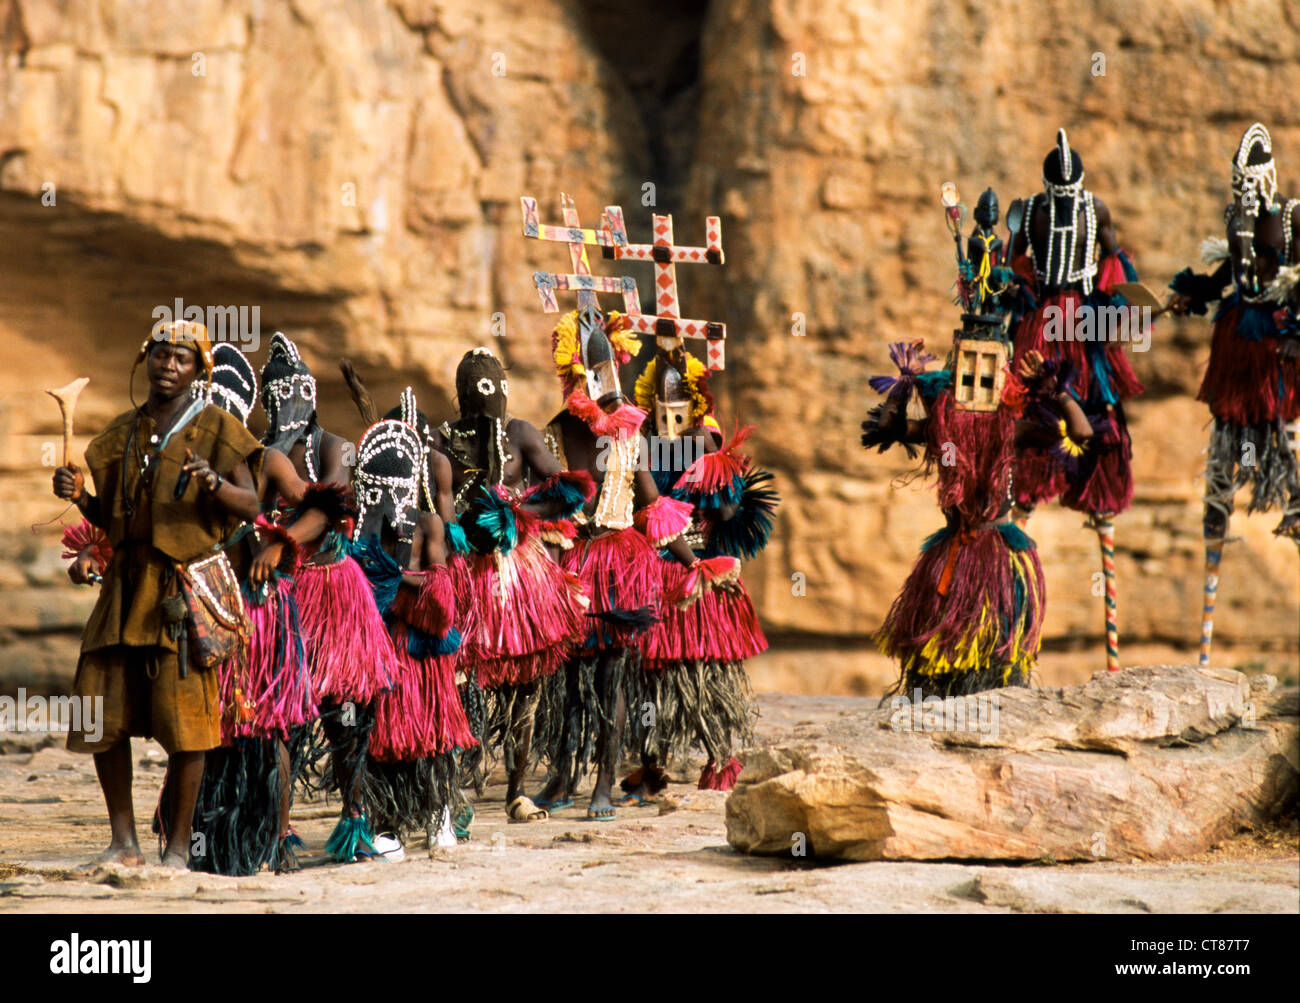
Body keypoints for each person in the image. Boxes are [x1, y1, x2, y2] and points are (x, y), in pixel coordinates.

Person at [864, 186, 1096, 697]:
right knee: (937, 662)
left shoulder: (1011, 428)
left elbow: (1081, 434)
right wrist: (903, 387)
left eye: (987, 370)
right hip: (951, 550)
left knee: (990, 663)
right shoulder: (943, 427)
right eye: (968, 366)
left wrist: (1056, 393)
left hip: (994, 554)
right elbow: (887, 430)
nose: (975, 380)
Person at [52, 320, 262, 868]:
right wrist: (80, 499)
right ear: (145, 361)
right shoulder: (121, 432)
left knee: (187, 718)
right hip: (124, 588)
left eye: (182, 359)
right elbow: (113, 517)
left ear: (198, 370)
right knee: (100, 706)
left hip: (179, 591)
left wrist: (214, 483)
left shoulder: (216, 428)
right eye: (161, 356)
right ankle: (123, 842)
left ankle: (176, 849)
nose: (169, 366)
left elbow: (253, 506)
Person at [531, 307, 734, 820]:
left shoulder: (629, 433)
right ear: (571, 376)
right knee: (566, 678)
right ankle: (562, 774)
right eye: (588, 374)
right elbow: (545, 499)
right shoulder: (555, 433)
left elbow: (648, 507)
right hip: (575, 566)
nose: (600, 383)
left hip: (621, 565)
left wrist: (696, 565)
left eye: (605, 373)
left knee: (612, 676)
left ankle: (602, 783)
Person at [429, 348, 593, 823]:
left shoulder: (519, 433)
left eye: (495, 387)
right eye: (480, 388)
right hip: (469, 575)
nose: (490, 398)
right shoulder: (441, 442)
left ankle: (516, 792)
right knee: (461, 681)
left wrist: (520, 515)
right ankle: (454, 788)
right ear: (462, 396)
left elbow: (568, 489)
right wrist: (461, 533)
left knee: (526, 682)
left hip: (520, 575)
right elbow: (439, 509)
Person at [257, 331, 399, 862]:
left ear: (311, 394)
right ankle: (279, 830)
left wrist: (285, 542)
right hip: (283, 597)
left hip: (335, 595)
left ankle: (354, 823)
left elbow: (334, 506)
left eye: (294, 391)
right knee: (283, 718)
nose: (286, 402)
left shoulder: (335, 447)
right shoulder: (263, 452)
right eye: (276, 394)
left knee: (345, 715)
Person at [1009, 131, 1146, 672]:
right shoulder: (1029, 210)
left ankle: (1113, 658)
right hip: (1045, 323)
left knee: (1098, 421)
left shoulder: (1097, 210)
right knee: (1037, 424)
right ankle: (1010, 636)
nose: (1065, 196)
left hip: (1082, 326)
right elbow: (1011, 265)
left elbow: (1118, 265)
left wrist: (1126, 303)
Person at [618, 342, 776, 800]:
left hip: (696, 574)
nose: (670, 420)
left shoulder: (695, 444)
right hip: (659, 571)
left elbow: (726, 512)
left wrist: (713, 462)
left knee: (702, 669)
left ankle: (719, 756)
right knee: (652, 670)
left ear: (695, 408)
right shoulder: (642, 444)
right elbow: (643, 505)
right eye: (662, 411)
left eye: (679, 412)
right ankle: (654, 763)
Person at [1166, 122, 1300, 663]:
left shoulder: (1291, 218)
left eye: (1251, 180)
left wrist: (1295, 333)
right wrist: (1190, 292)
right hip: (1234, 366)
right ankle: (1203, 651)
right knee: (1220, 475)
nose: (1246, 190)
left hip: (1276, 369)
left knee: (1291, 469)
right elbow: (1229, 276)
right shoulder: (1236, 219)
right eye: (1238, 181)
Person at [350, 416, 471, 851]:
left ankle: (440, 815)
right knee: (383, 737)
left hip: (420, 648)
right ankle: (387, 826)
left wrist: (395, 578)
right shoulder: (358, 526)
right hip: (381, 648)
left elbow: (442, 591)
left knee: (434, 733)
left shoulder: (427, 524)